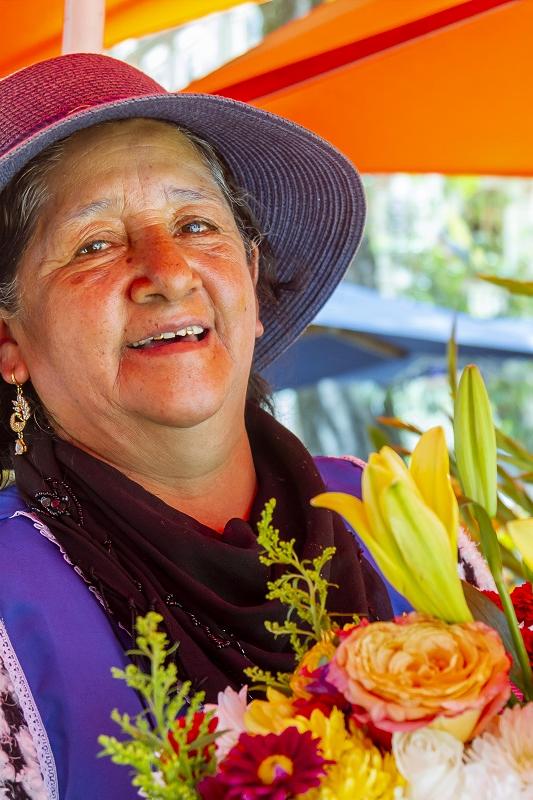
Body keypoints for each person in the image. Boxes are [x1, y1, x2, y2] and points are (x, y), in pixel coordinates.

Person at [0, 54, 490, 800]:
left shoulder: (407, 514)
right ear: (8, 339)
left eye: (195, 225)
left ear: (253, 283)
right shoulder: (11, 608)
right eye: (94, 244)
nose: (167, 271)